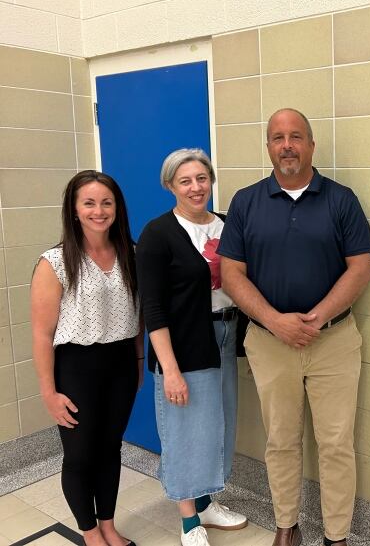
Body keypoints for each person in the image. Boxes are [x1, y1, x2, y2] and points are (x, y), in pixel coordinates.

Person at [220, 108, 370, 546]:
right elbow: (232, 274)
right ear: (268, 147)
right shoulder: (246, 202)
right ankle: (287, 526)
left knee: (336, 444)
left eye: (295, 137)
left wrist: (317, 316)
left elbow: (359, 268)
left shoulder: (341, 200)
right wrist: (274, 321)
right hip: (270, 343)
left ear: (310, 144)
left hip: (334, 341)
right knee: (281, 441)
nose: (287, 145)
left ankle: (337, 535)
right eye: (277, 138)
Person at [135, 149, 247, 546]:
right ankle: (188, 521)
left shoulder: (228, 225)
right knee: (184, 430)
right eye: (185, 181)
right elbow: (152, 307)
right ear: (170, 186)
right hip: (183, 344)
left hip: (226, 335)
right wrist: (170, 369)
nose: (196, 187)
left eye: (202, 178)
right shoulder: (157, 234)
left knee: (217, 425)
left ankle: (207, 503)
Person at [31, 170, 143, 546]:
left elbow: (139, 317)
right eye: (89, 203)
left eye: (106, 202)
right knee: (80, 456)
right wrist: (49, 392)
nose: (99, 211)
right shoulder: (56, 262)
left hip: (122, 363)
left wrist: (139, 363)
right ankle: (90, 531)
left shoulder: (131, 253)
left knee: (111, 449)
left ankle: (108, 524)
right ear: (74, 210)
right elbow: (42, 334)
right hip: (76, 366)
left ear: (117, 208)